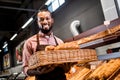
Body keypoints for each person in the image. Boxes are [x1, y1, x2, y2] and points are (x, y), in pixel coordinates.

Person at [22, 9, 67, 80]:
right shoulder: (30, 42)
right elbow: (25, 67)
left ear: (52, 20)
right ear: (38, 22)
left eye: (47, 18)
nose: (45, 21)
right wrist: (37, 72)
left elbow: (66, 66)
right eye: (41, 19)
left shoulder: (60, 42)